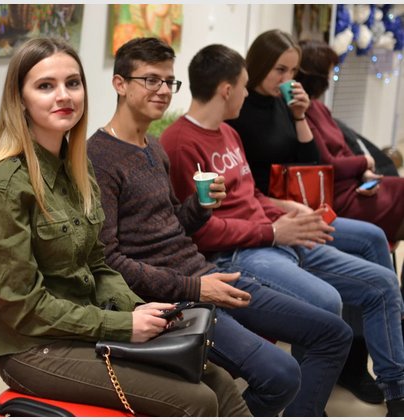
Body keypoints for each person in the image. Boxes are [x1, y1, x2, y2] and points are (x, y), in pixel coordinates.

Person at [0, 37, 249, 417]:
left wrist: (143, 311)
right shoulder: (4, 187)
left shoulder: (77, 167)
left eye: (73, 83)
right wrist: (122, 325)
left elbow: (97, 264)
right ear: (20, 99)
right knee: (196, 400)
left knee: (218, 380)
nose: (64, 95)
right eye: (45, 86)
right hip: (33, 348)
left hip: (83, 325)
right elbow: (24, 310)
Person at [87, 36, 352, 417]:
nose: (163, 90)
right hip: (171, 298)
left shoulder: (153, 147)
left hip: (205, 275)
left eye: (169, 81)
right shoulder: (99, 157)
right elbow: (109, 261)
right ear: (120, 84)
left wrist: (200, 207)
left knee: (334, 333)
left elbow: (173, 224)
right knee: (280, 374)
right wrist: (195, 288)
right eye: (151, 80)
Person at [160, 40, 404, 416]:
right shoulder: (179, 144)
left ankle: (397, 394)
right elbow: (199, 231)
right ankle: (306, 406)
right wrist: (274, 232)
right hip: (239, 254)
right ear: (226, 90)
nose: (247, 93)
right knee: (327, 300)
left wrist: (286, 211)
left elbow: (251, 192)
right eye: (244, 86)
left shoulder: (228, 133)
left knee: (382, 283)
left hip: (271, 235)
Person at [228, 29, 402, 405]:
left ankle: (362, 360)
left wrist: (300, 117)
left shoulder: (285, 103)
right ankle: (341, 367)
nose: (288, 79)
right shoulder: (238, 111)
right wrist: (284, 210)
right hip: (276, 212)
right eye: (280, 69)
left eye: (293, 71)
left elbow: (312, 163)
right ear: (259, 65)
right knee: (350, 276)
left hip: (303, 204)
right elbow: (245, 188)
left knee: (373, 240)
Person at [295, 39, 404, 244]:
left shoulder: (320, 108)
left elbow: (345, 150)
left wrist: (365, 174)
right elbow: (328, 164)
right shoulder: (300, 115)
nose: (331, 77)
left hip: (356, 185)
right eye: (329, 71)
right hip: (339, 198)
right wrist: (365, 162)